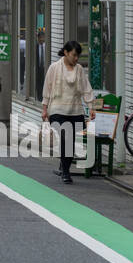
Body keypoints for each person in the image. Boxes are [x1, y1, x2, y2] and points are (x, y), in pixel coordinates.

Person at [41, 41, 95, 182]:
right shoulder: (54, 68)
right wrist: (44, 109)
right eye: (74, 55)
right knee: (66, 138)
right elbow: (47, 88)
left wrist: (91, 107)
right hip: (57, 109)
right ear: (66, 52)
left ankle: (64, 165)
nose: (76, 58)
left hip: (75, 110)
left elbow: (86, 88)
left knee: (70, 141)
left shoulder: (79, 70)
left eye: (78, 56)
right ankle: (66, 172)